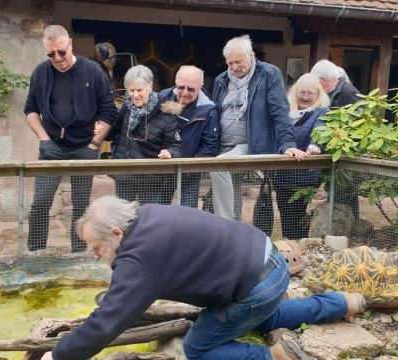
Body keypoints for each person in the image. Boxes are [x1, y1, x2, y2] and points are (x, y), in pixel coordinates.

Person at [41, 195, 365, 360]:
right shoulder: (147, 214)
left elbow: (108, 321)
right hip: (272, 262)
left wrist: (59, 354)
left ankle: (270, 356)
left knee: (196, 348)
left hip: (255, 288)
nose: (94, 254)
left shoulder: (139, 259)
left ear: (115, 232)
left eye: (95, 247)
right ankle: (341, 303)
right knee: (267, 316)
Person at [24, 25, 118, 253]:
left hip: (84, 146)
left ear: (70, 45)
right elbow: (30, 110)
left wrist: (95, 143)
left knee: (81, 205)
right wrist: (43, 138)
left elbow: (109, 111)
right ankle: (36, 254)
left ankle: (79, 251)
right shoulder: (40, 73)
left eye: (61, 52)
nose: (57, 58)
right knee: (40, 203)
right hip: (52, 146)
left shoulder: (93, 71)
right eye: (51, 54)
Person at [210, 35, 305, 221]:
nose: (234, 67)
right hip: (223, 142)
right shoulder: (222, 79)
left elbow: (279, 111)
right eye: (230, 63)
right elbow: (215, 112)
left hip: (250, 143)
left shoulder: (268, 74)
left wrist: (288, 143)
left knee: (217, 166)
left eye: (238, 61)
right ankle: (235, 237)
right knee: (232, 191)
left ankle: (226, 225)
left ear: (251, 55)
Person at [110, 64, 181, 204]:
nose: (134, 95)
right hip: (125, 174)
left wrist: (169, 152)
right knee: (123, 216)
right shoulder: (126, 107)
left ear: (150, 85)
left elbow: (175, 146)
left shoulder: (166, 112)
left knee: (150, 216)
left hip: (151, 178)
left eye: (139, 90)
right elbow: (114, 132)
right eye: (131, 90)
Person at [274, 73, 330, 239]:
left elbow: (320, 130)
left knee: (297, 214)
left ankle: (297, 246)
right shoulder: (286, 109)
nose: (305, 97)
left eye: (310, 93)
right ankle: (289, 244)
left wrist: (315, 146)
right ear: (295, 92)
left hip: (303, 177)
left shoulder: (321, 111)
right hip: (282, 173)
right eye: (302, 92)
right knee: (284, 211)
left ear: (318, 95)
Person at [160, 65, 218, 207]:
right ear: (175, 82)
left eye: (191, 89)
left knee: (189, 213)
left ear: (201, 87)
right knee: (159, 210)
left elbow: (209, 146)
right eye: (181, 87)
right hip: (161, 167)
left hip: (190, 171)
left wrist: (189, 167)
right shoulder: (161, 98)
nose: (185, 93)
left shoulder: (208, 110)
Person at [310, 60, 360, 219]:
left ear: (322, 80)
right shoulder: (329, 93)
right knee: (336, 195)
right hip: (330, 155)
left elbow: (359, 126)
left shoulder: (348, 92)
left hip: (346, 156)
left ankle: (349, 227)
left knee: (345, 197)